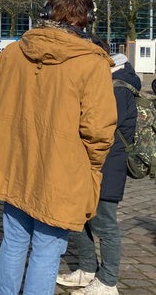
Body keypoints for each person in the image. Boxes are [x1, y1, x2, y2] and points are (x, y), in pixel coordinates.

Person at [0, 0, 117, 295]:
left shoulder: (16, 51)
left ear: (47, 13)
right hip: (60, 173)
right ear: (86, 20)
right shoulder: (93, 63)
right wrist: (91, 167)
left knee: (13, 243)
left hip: (15, 165)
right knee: (47, 251)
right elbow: (100, 128)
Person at [57, 51, 138, 295]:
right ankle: (87, 269)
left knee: (104, 224)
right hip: (93, 164)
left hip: (108, 167)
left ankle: (108, 281)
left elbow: (100, 127)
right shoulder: (110, 85)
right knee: (80, 218)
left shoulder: (119, 89)